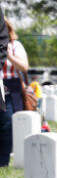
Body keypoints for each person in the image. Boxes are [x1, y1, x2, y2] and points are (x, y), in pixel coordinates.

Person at [0, 18, 30, 167]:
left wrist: (7, 53)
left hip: (9, 86)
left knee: (7, 123)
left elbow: (24, 67)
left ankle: (3, 161)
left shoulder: (15, 45)